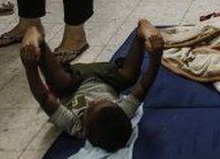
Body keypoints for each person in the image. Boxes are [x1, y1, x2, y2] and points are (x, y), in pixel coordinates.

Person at [18, 19, 163, 151]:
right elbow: (144, 86)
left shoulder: (75, 126)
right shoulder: (122, 113)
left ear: (86, 128)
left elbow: (44, 99)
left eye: (91, 107)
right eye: (105, 101)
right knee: (129, 77)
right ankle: (141, 33)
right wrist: (156, 57)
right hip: (106, 77)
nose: (94, 100)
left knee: (60, 85)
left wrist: (30, 68)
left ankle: (36, 37)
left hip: (72, 81)